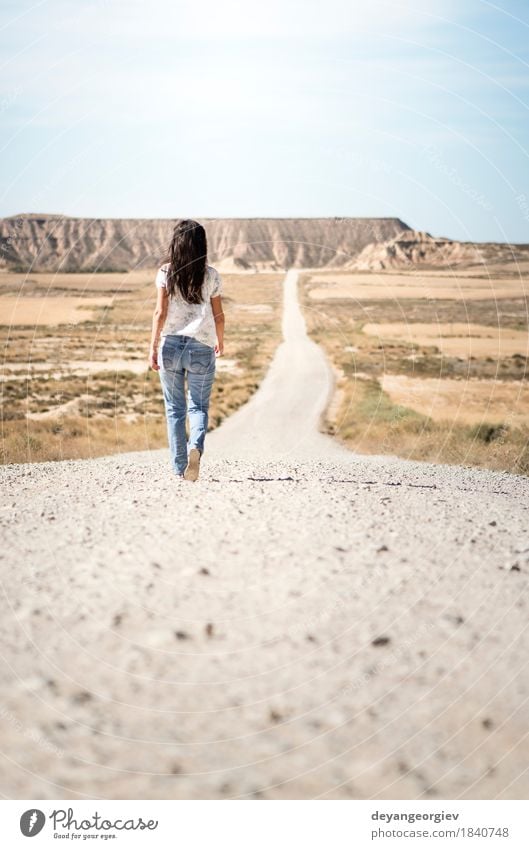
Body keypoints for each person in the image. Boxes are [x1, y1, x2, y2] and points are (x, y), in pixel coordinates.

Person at [149, 219, 225, 482]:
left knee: (174, 408)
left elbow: (160, 312)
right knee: (199, 406)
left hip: (169, 346)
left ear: (176, 244)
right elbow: (219, 316)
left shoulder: (165, 272)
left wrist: (153, 346)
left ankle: (180, 468)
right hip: (201, 347)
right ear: (201, 245)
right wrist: (220, 341)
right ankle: (196, 446)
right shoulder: (212, 275)